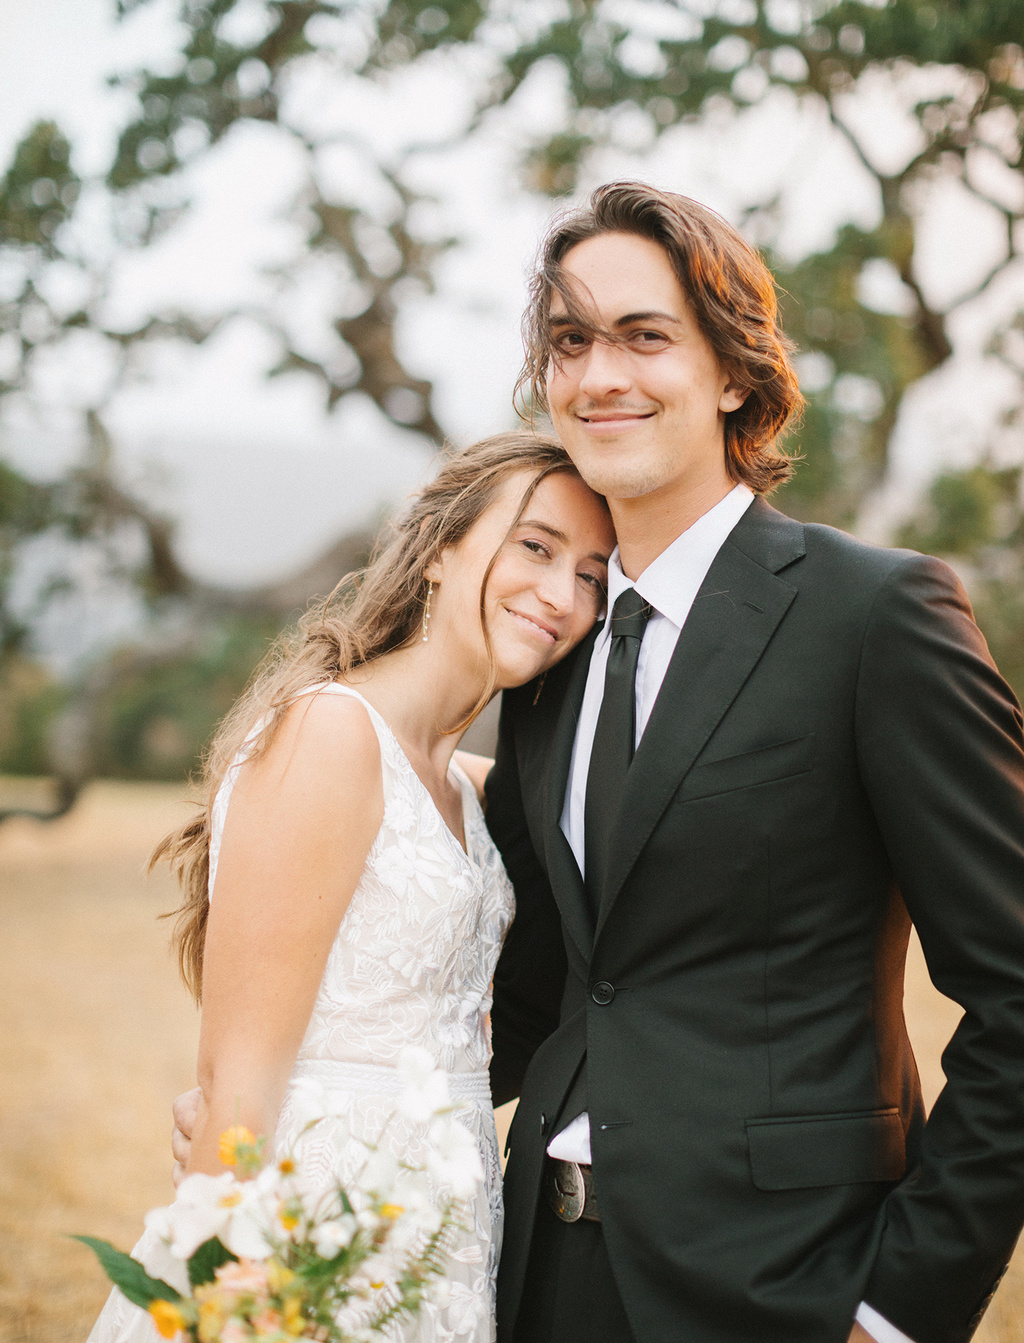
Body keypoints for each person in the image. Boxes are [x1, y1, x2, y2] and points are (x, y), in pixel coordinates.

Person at [484, 183, 1024, 1343]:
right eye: (570, 341)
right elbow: (537, 984)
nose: (599, 374)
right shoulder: (549, 649)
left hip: (786, 1286)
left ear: (733, 371)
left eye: (644, 335)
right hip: (536, 1277)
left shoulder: (875, 614)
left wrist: (898, 1308)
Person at [87, 431, 614, 1343]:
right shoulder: (331, 736)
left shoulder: (470, 787)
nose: (562, 596)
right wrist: (227, 1293)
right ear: (440, 548)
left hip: (438, 1246)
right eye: (536, 546)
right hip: (311, 1235)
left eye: (592, 577)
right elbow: (237, 1078)